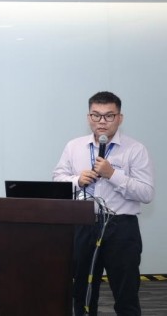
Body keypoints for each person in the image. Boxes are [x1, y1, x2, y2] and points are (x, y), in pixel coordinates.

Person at [52, 91, 154, 316]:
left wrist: (113, 175)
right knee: (82, 292)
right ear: (88, 117)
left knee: (126, 294)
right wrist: (76, 180)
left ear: (120, 118)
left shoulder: (135, 149)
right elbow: (57, 179)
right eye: (96, 115)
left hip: (121, 227)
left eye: (109, 116)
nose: (102, 121)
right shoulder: (74, 146)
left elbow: (146, 193)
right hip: (83, 225)